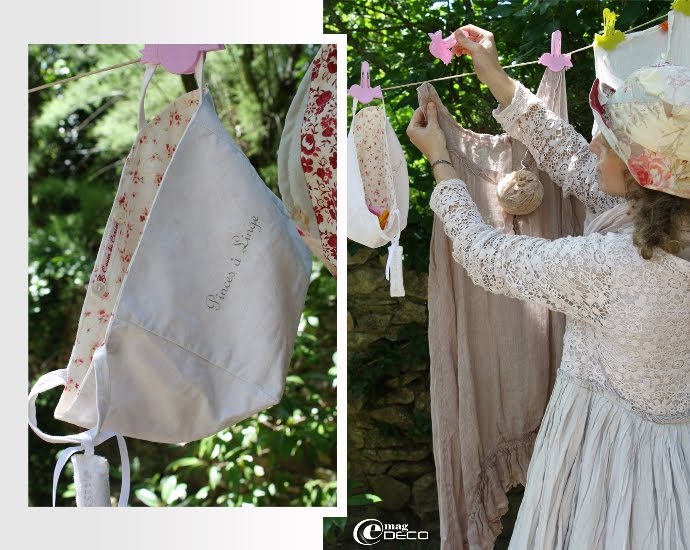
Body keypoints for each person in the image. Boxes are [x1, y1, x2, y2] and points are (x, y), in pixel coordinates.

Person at [407, 24, 690, 549]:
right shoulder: (664, 222)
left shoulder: (616, 263)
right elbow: (573, 161)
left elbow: (486, 257)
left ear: (640, 173)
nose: (595, 141)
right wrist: (494, 76)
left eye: (611, 138)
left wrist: (441, 162)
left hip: (605, 465)